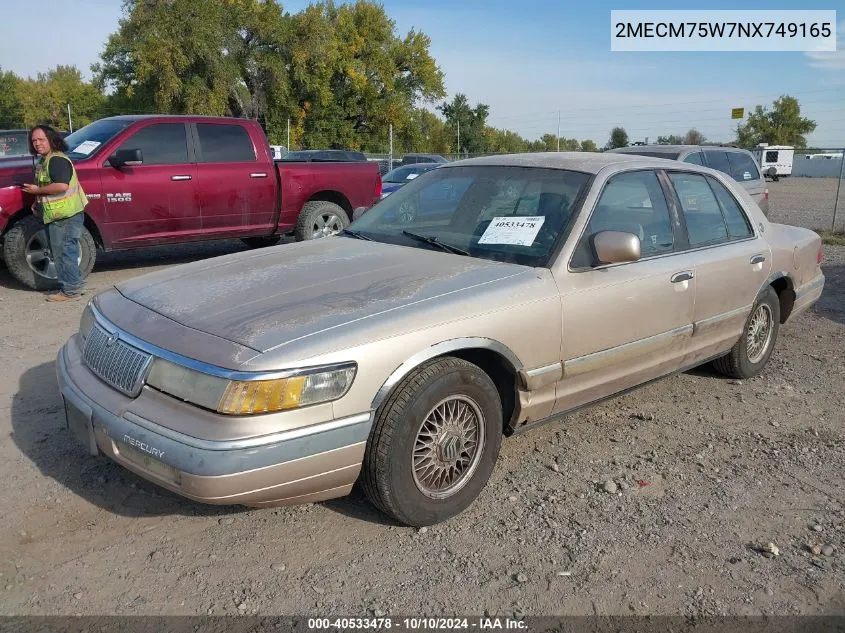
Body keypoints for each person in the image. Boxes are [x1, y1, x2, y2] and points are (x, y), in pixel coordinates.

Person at [21, 125, 89, 301]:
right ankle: (74, 285)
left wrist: (37, 191)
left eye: (41, 139)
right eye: (34, 140)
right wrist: (38, 201)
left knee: (64, 252)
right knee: (66, 251)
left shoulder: (57, 160)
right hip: (59, 214)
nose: (37, 143)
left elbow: (61, 186)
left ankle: (70, 291)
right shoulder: (46, 160)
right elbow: (48, 185)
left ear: (51, 139)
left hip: (66, 215)